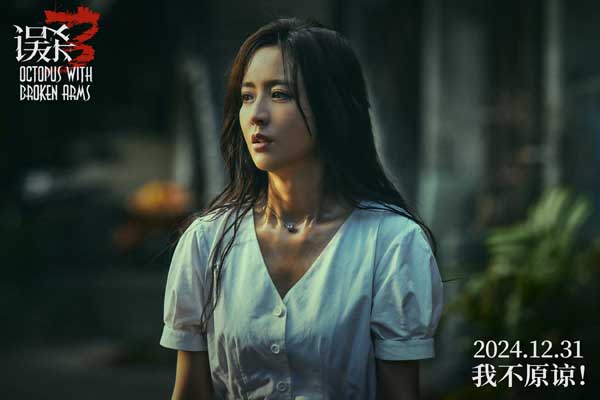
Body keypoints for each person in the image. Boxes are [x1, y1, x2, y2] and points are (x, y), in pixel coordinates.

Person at [159, 17, 443, 400]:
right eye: (247, 96)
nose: (256, 114)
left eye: (279, 94)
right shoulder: (206, 241)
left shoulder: (392, 243)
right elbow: (190, 391)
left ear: (331, 106)